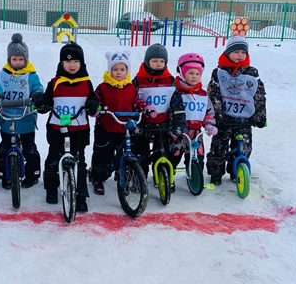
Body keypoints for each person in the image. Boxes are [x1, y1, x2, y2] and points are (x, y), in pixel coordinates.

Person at [34, 41, 99, 212]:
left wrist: (93, 104)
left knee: (80, 162)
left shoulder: (86, 82)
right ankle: (51, 189)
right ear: (62, 63)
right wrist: (42, 103)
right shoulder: (55, 82)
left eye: (76, 61)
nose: (72, 65)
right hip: (58, 129)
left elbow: (93, 98)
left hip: (79, 130)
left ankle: (81, 196)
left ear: (81, 63)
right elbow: (47, 99)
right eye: (68, 61)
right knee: (53, 159)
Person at [0, 33, 43, 189]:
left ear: (26, 60)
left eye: (20, 59)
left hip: (25, 118)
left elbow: (37, 86)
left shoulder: (31, 75)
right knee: (4, 148)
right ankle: (5, 175)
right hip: (7, 117)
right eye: (14, 59)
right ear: (9, 59)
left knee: (29, 148)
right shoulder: (3, 75)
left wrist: (37, 94)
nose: (17, 62)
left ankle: (32, 174)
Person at [206, 35, 266, 185]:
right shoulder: (219, 72)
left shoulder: (252, 73)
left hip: (245, 119)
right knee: (219, 147)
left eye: (243, 52)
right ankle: (216, 173)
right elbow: (215, 95)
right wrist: (218, 115)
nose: (240, 55)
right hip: (225, 118)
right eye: (236, 52)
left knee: (243, 147)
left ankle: (237, 171)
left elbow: (258, 95)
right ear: (228, 53)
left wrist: (260, 116)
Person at [90, 50, 149, 195]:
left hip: (125, 128)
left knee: (127, 152)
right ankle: (97, 177)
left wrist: (146, 108)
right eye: (115, 69)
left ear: (127, 70)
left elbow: (137, 102)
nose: (118, 72)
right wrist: (96, 108)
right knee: (102, 154)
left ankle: (125, 176)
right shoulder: (103, 87)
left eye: (122, 69)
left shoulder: (131, 88)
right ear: (110, 70)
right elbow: (96, 99)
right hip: (106, 126)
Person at [132, 44, 186, 191]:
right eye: (154, 61)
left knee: (162, 153)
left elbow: (176, 102)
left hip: (163, 125)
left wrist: (179, 121)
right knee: (141, 155)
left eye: (161, 61)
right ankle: (139, 178)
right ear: (147, 61)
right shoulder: (138, 80)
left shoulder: (169, 80)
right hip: (144, 125)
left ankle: (163, 178)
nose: (158, 64)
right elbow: (132, 100)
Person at [170, 53, 217, 174]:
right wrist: (171, 127)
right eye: (190, 73)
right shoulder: (175, 92)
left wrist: (209, 124)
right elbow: (168, 111)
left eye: (197, 74)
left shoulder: (202, 94)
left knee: (198, 157)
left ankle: (195, 176)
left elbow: (208, 112)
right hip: (178, 133)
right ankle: (168, 177)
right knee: (173, 156)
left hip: (196, 133)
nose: (194, 77)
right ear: (181, 72)